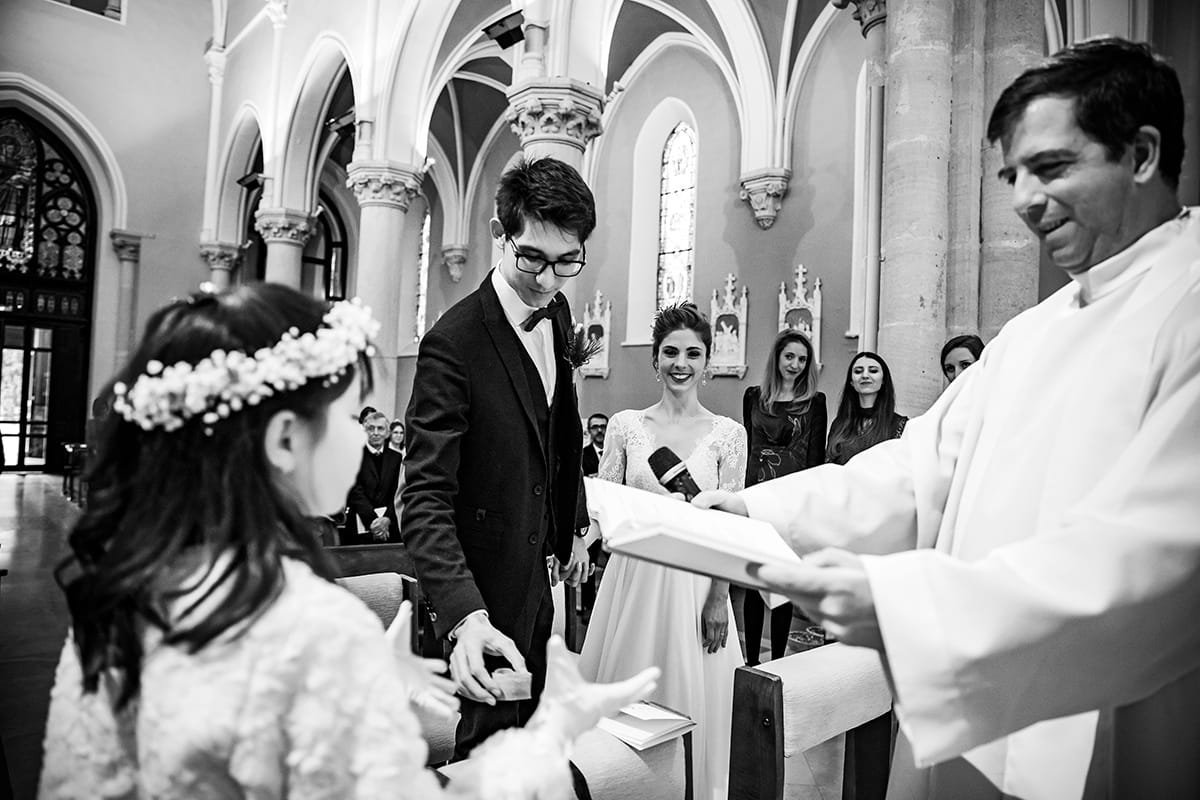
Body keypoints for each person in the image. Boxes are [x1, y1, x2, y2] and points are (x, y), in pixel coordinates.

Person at [696, 38, 1200, 799]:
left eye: (1052, 167)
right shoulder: (1035, 328)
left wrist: (908, 605)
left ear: (1141, 153)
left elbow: (1159, 555)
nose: (1025, 199)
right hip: (967, 722)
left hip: (1104, 727)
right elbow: (916, 468)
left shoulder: (1188, 300)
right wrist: (754, 511)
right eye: (1013, 176)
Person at [38, 283, 658, 799]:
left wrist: (370, 682)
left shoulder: (122, 598)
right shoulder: (316, 629)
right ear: (285, 439)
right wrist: (549, 739)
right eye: (351, 414)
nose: (369, 435)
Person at [402, 157, 594, 760]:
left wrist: (576, 526)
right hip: (482, 590)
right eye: (531, 257)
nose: (547, 280)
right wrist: (463, 615)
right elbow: (425, 497)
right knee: (484, 753)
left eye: (567, 262)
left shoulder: (558, 314)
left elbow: (559, 437)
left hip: (542, 574)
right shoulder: (452, 344)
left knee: (530, 738)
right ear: (497, 233)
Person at [579, 302, 747, 800]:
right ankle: (621, 786)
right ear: (655, 359)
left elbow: (730, 527)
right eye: (670, 352)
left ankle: (692, 786)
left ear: (707, 362)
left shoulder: (728, 435)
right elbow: (601, 504)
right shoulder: (626, 426)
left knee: (692, 697)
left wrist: (719, 596)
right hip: (633, 580)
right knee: (630, 693)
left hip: (697, 583)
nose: (681, 363)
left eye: (693, 353)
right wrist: (574, 546)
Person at [739, 329, 826, 665]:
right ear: (777, 357)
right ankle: (750, 661)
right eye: (789, 356)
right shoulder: (753, 397)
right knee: (751, 580)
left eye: (802, 359)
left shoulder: (815, 403)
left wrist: (809, 508)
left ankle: (777, 660)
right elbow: (749, 447)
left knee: (783, 586)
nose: (795, 364)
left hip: (791, 501)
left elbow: (815, 459)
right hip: (756, 495)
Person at [825, 351, 906, 466]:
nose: (865, 375)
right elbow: (829, 466)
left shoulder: (900, 425)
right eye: (858, 371)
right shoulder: (839, 424)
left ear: (883, 380)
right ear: (851, 382)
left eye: (873, 371)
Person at [341, 410, 403, 544]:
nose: (375, 433)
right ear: (364, 431)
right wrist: (373, 522)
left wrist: (387, 519)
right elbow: (355, 491)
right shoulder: (353, 455)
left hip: (389, 528)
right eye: (371, 428)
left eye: (380, 428)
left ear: (387, 433)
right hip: (360, 527)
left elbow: (397, 491)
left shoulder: (396, 458)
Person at [579, 412, 608, 618]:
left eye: (603, 426)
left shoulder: (617, 452)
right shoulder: (582, 455)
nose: (599, 430)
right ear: (589, 431)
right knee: (589, 562)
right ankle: (589, 608)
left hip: (616, 517)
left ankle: (607, 608)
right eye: (595, 427)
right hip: (592, 517)